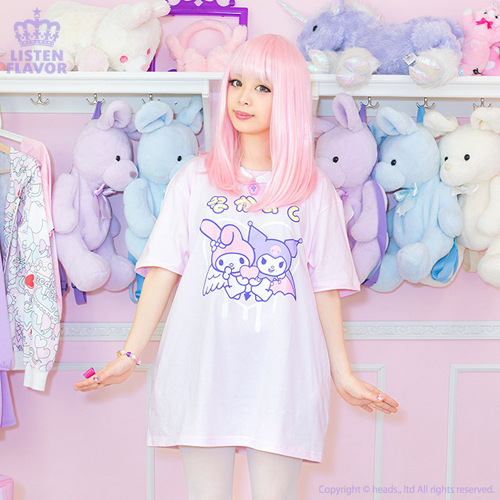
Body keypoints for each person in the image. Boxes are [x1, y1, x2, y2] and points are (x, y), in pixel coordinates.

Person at [75, 34, 399, 500]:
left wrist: (343, 373)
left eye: (263, 88)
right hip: (202, 365)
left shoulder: (314, 189)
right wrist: (129, 355)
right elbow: (163, 269)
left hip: (283, 369)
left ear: (289, 99)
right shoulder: (195, 178)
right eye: (236, 83)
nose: (244, 98)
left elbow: (326, 285)